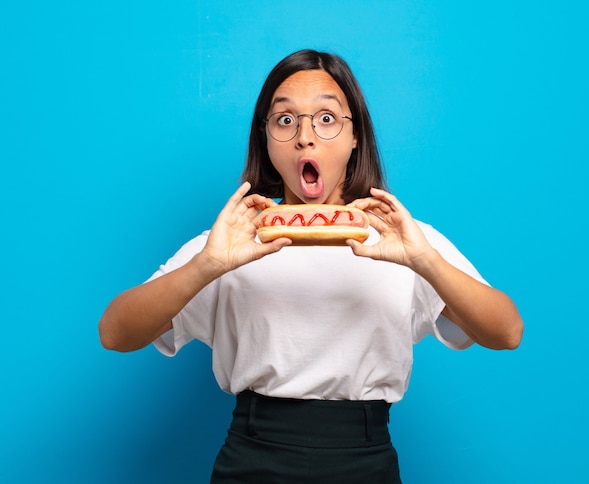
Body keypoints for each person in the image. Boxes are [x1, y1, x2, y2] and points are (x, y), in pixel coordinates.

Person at [99, 49, 523, 483]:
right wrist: (206, 266)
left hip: (365, 454)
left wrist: (424, 261)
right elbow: (115, 332)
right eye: (285, 120)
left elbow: (506, 332)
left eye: (326, 118)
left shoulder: (404, 237)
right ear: (265, 138)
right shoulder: (231, 239)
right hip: (252, 453)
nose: (305, 137)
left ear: (355, 135)